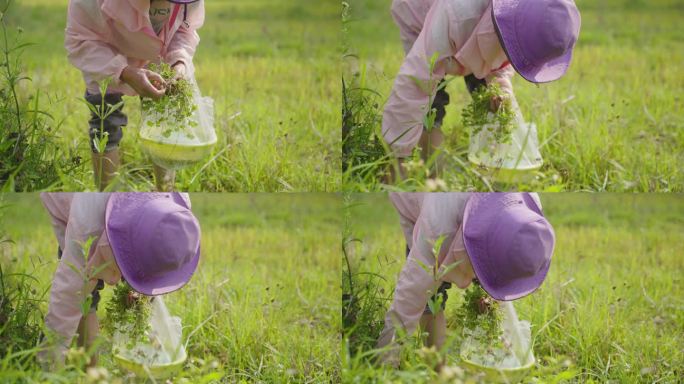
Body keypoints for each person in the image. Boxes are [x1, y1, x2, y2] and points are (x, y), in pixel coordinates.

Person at [383, 0, 580, 180]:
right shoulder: (458, 14)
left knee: (493, 102)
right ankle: (431, 174)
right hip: (424, 17)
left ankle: (492, 167)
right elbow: (415, 81)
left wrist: (499, 86)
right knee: (430, 105)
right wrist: (397, 154)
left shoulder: (519, 20)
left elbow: (504, 55)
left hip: (479, 26)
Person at [376, 192, 555, 365]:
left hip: (475, 215)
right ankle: (439, 370)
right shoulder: (437, 228)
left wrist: (494, 298)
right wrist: (385, 360)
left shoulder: (529, 223)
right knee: (431, 300)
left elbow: (508, 259)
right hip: (419, 205)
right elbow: (409, 299)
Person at [39, 192, 201, 367]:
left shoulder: (177, 218)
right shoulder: (87, 227)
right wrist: (48, 366)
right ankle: (90, 373)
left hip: (125, 215)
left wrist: (142, 290)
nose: (113, 281)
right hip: (72, 211)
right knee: (85, 298)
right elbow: (67, 302)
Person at [65, 0, 204, 191]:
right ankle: (108, 199)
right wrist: (125, 72)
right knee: (106, 122)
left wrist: (178, 62)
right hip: (104, 50)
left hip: (159, 53)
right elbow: (82, 39)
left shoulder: (189, 2)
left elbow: (184, 30)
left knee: (162, 119)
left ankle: (164, 195)